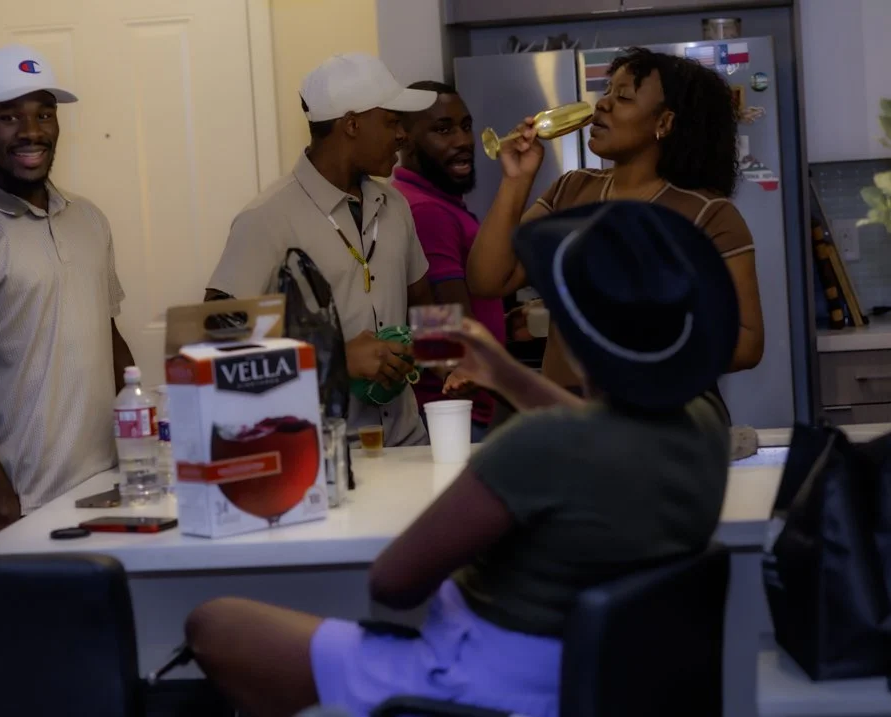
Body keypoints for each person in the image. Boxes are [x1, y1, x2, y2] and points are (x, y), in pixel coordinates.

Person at [183, 200, 738, 717]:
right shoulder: (704, 427)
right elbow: (596, 431)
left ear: (569, 335)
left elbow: (394, 583)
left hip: (481, 684)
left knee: (214, 624)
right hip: (599, 682)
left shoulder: (540, 446)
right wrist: (502, 373)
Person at [464, 47, 764, 422]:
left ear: (665, 123)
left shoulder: (709, 214)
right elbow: (487, 279)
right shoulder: (570, 190)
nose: (602, 104)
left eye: (623, 97)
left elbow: (748, 343)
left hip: (660, 422)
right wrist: (515, 180)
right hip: (565, 418)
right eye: (607, 92)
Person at [0, 44, 134, 548]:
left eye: (44, 114)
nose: (31, 131)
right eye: (9, 116)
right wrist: (4, 506)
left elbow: (108, 334)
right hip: (19, 507)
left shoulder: (88, 219)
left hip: (107, 490)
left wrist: (141, 445)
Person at [205, 54, 438, 447]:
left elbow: (423, 306)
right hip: (323, 456)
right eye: (392, 121)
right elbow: (215, 348)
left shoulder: (394, 206)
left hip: (407, 441)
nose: (404, 135)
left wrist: (444, 355)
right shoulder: (267, 219)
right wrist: (338, 361)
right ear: (352, 124)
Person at [391, 81, 505, 442]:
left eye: (466, 126)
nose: (463, 141)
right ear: (403, 138)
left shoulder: (427, 200)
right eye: (442, 130)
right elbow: (445, 319)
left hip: (455, 407)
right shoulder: (426, 211)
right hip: (459, 412)